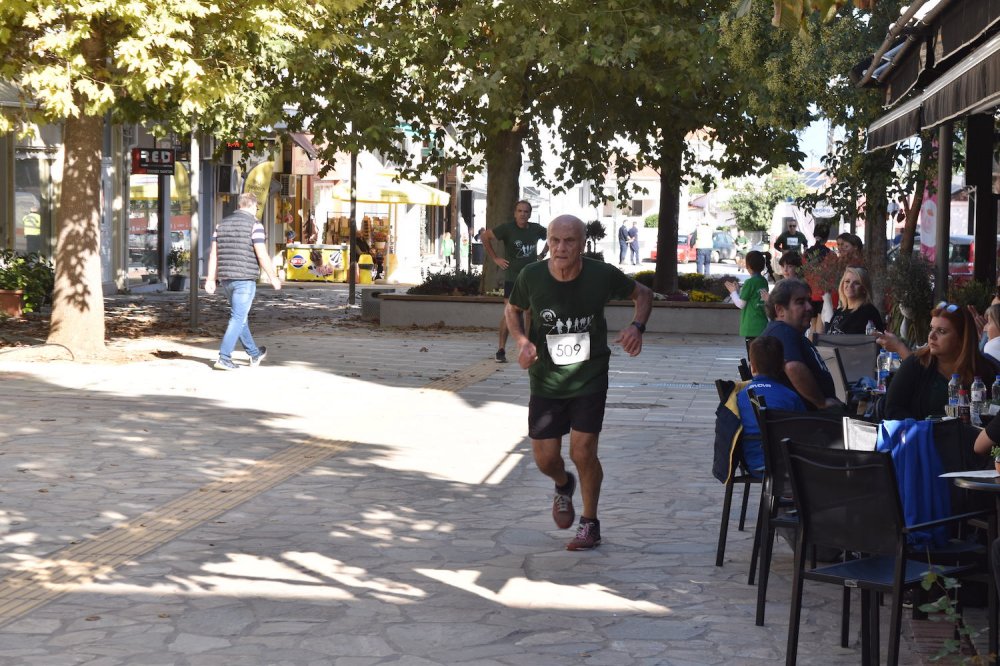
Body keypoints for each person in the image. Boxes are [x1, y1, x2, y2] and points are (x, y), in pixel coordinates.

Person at [506, 214, 653, 550]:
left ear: (582, 244)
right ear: (548, 242)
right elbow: (512, 309)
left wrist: (636, 327)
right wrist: (522, 341)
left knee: (583, 451)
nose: (561, 247)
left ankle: (590, 523)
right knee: (545, 459)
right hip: (546, 379)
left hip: (590, 375)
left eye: (569, 241)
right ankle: (562, 484)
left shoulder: (601, 275)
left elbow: (644, 294)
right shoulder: (532, 275)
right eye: (555, 240)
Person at [883, 302, 1000, 420]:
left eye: (942, 331)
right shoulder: (915, 364)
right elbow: (892, 410)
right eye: (932, 328)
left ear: (962, 339)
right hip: (924, 436)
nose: (932, 336)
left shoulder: (987, 369)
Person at [205, 193, 281, 371]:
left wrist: (210, 278)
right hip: (245, 279)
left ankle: (254, 354)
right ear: (254, 207)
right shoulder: (255, 225)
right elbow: (261, 254)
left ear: (239, 205)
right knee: (238, 317)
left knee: (241, 317)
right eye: (257, 208)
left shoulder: (220, 225)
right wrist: (273, 277)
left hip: (226, 279)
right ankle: (224, 357)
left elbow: (213, 254)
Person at [482, 200, 548, 363]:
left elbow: (552, 236)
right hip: (512, 278)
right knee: (510, 313)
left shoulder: (536, 229)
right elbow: (485, 236)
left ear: (530, 214)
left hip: (531, 278)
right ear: (515, 213)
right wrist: (495, 258)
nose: (523, 214)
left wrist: (542, 254)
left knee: (530, 313)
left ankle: (528, 347)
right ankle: (501, 349)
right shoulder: (507, 229)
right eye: (520, 211)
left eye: (526, 212)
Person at [760, 278, 841, 411]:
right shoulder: (782, 331)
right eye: (800, 302)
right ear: (780, 310)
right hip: (806, 423)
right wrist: (821, 403)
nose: (809, 307)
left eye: (808, 301)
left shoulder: (788, 331)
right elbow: (793, 367)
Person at [736, 337, 807, 476]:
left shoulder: (740, 396)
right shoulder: (790, 396)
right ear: (782, 365)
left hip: (752, 463)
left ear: (752, 367)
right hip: (786, 465)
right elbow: (803, 430)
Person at [724, 250, 769, 341]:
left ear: (748, 266)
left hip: (751, 326)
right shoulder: (763, 281)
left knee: (752, 354)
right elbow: (752, 298)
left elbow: (741, 304)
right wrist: (738, 291)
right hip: (763, 325)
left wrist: (733, 292)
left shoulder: (749, 282)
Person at [825, 266, 884, 334]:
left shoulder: (869, 312)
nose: (850, 285)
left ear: (864, 289)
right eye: (847, 281)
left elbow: (878, 341)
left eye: (856, 283)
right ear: (842, 284)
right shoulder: (839, 312)